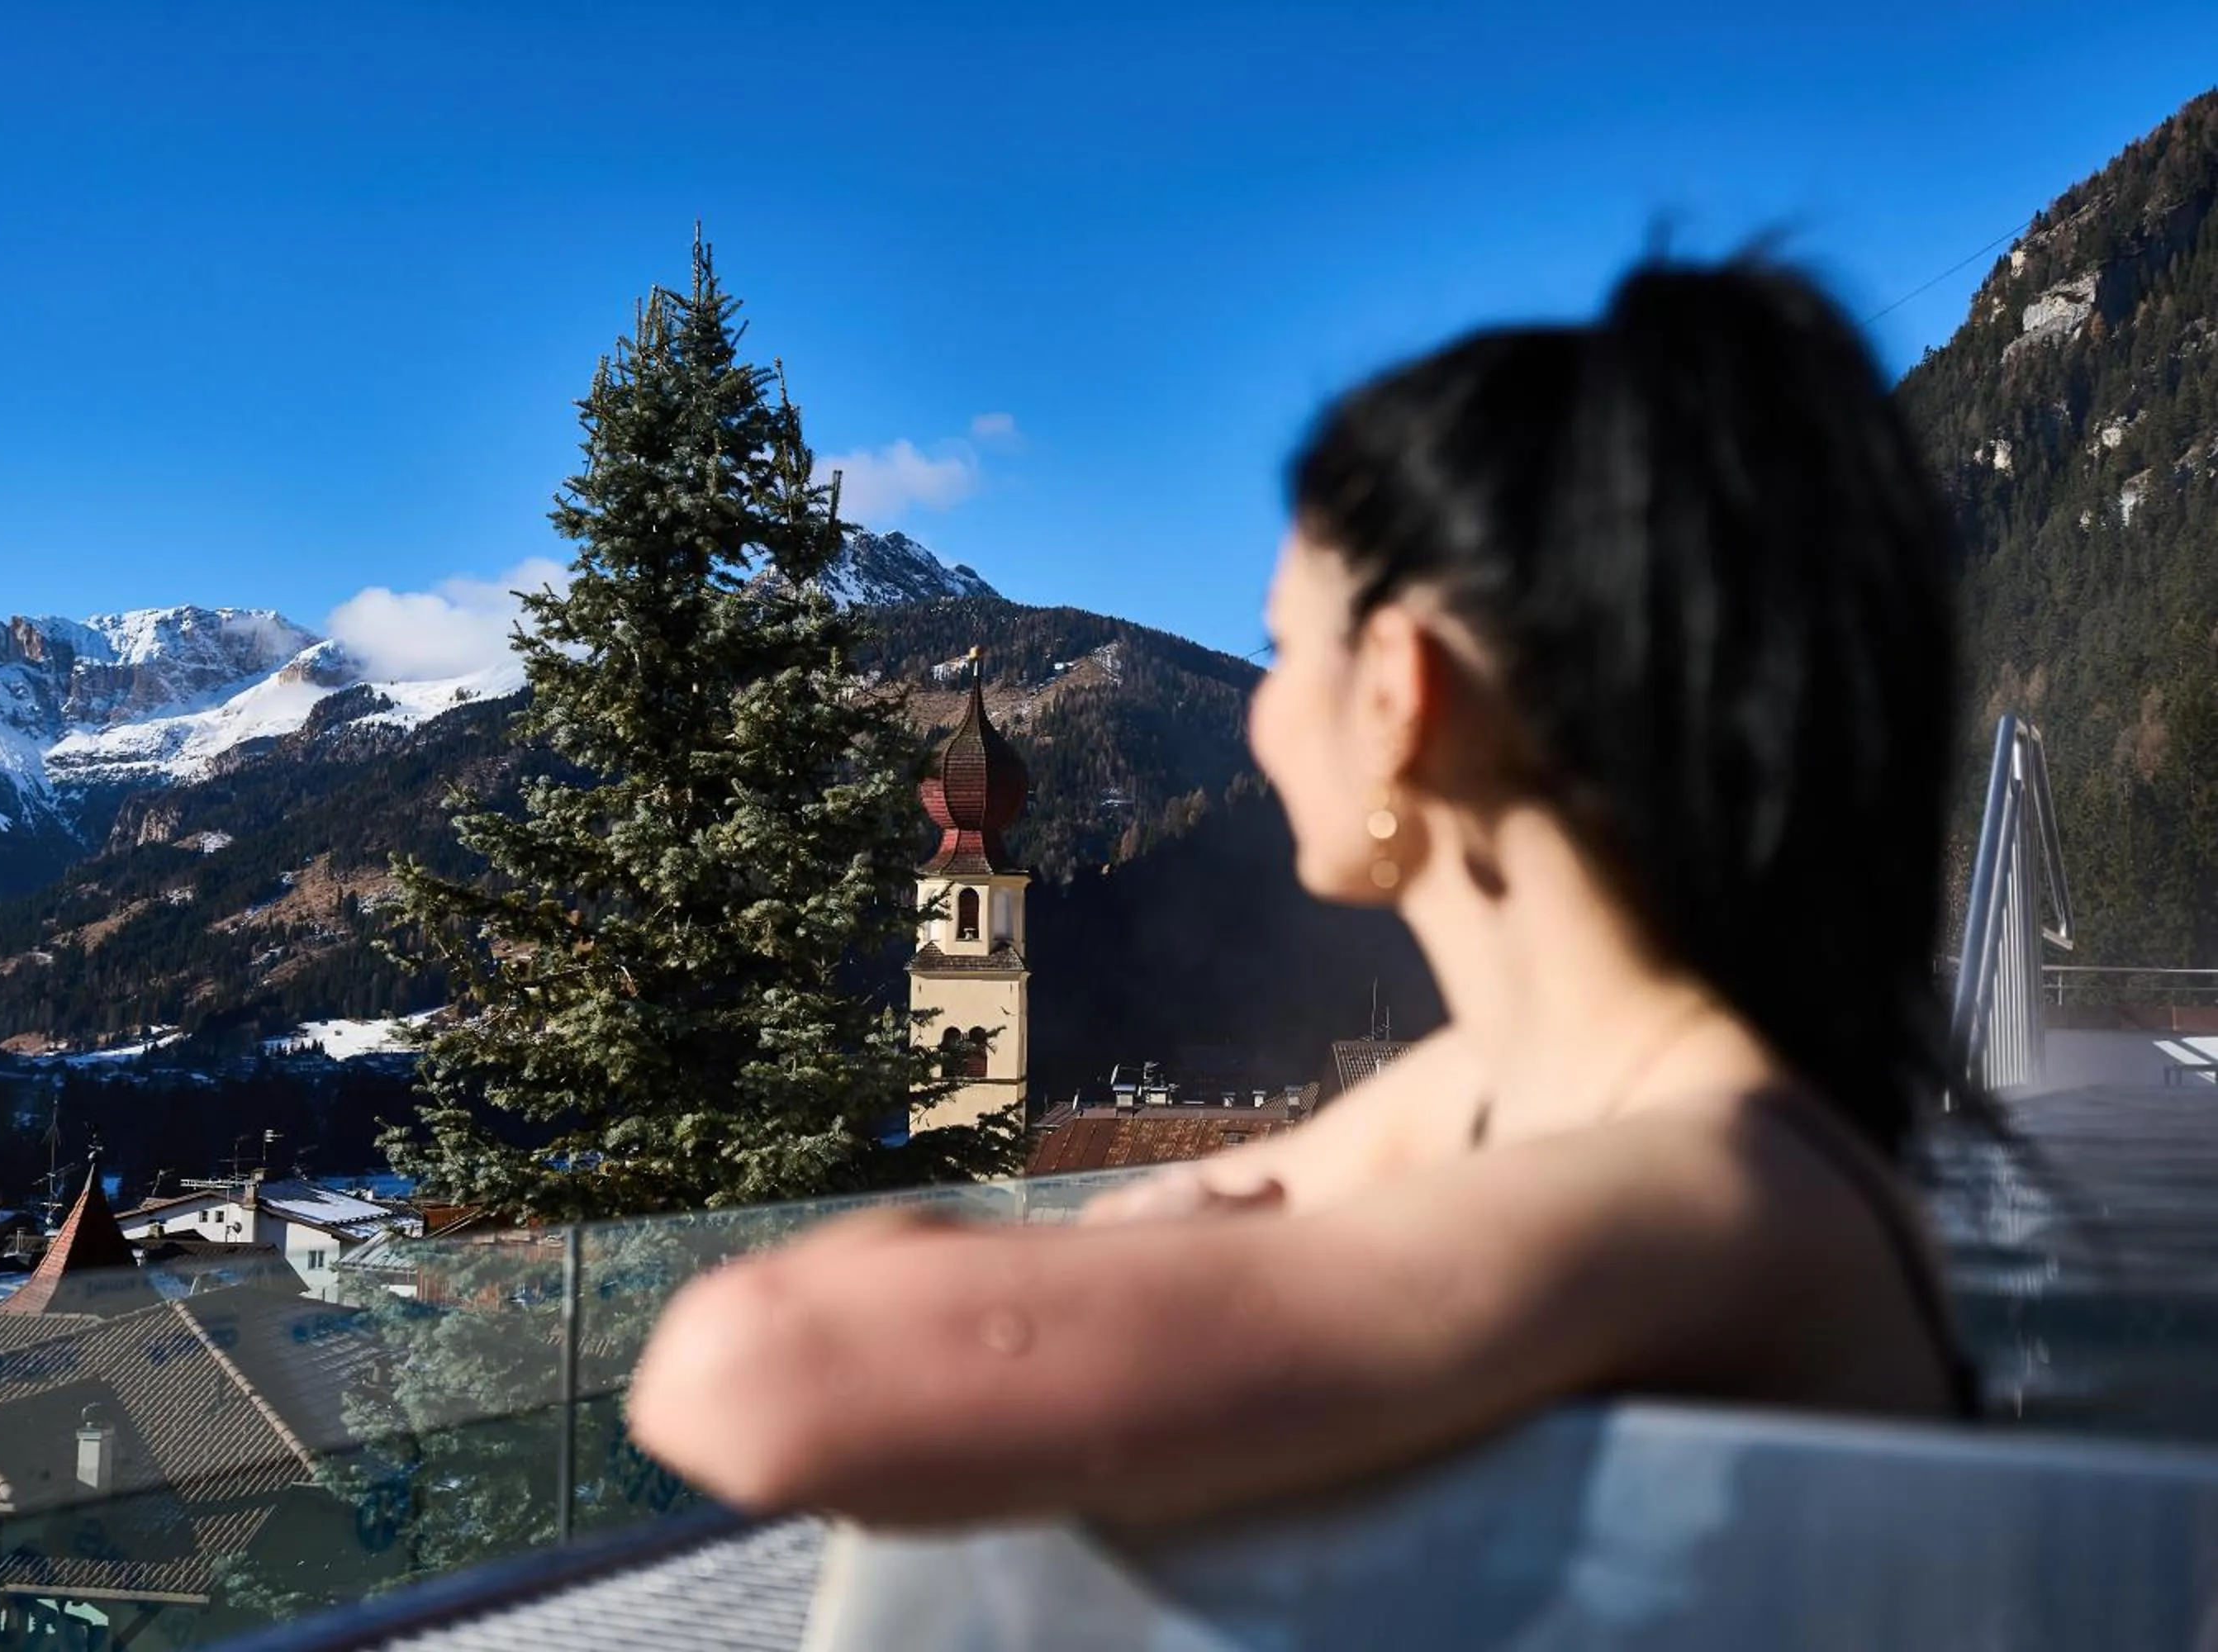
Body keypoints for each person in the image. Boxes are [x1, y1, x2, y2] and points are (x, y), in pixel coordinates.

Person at [625, 254, 1977, 1529]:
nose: (1262, 716)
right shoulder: (1529, 1095)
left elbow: (743, 1369)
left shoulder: (1686, 1188)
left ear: (1398, 693)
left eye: (1284, 648)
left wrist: (1125, 1249)